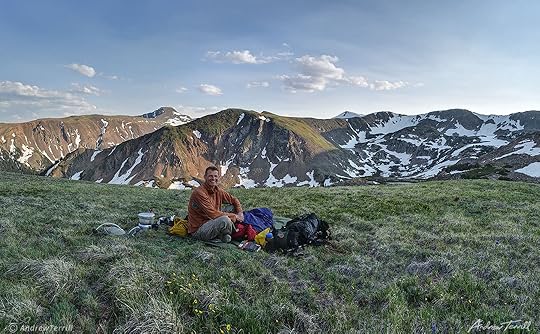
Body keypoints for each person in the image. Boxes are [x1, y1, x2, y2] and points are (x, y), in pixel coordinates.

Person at [187, 165, 243, 242]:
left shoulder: (217, 190)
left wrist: (240, 213)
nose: (213, 178)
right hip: (199, 229)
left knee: (232, 207)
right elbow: (212, 214)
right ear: (205, 177)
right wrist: (235, 216)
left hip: (212, 221)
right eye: (210, 176)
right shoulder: (199, 193)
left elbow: (234, 200)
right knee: (224, 220)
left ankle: (223, 234)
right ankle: (233, 232)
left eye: (215, 176)